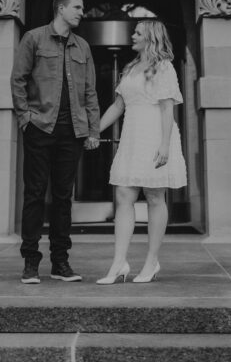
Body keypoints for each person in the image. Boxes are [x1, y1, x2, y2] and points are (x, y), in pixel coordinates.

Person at [10, 0, 100, 284]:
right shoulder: (34, 39)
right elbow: (18, 80)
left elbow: (90, 92)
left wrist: (93, 130)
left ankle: (60, 262)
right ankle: (30, 262)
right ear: (61, 8)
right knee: (35, 194)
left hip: (71, 132)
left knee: (63, 198)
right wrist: (25, 118)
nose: (81, 12)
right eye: (77, 7)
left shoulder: (82, 46)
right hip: (40, 127)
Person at [96, 17, 186, 284]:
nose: (132, 36)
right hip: (132, 137)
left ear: (151, 37)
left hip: (155, 135)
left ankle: (151, 261)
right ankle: (119, 262)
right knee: (124, 194)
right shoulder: (131, 68)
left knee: (155, 196)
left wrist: (164, 144)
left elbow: (168, 108)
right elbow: (118, 106)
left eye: (137, 33)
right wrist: (94, 130)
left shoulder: (164, 67)